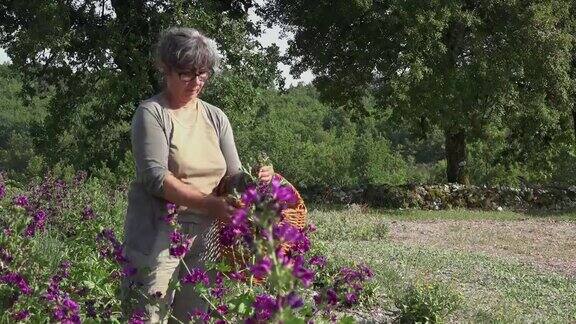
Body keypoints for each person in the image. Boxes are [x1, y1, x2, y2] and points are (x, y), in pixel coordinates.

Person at [121, 27, 273, 323]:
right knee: (147, 314)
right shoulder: (152, 113)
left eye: (203, 74)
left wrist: (256, 178)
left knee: (192, 316)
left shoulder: (215, 117)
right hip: (157, 233)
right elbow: (155, 177)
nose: (196, 82)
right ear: (166, 69)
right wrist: (208, 204)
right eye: (187, 74)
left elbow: (233, 177)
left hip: (205, 235)